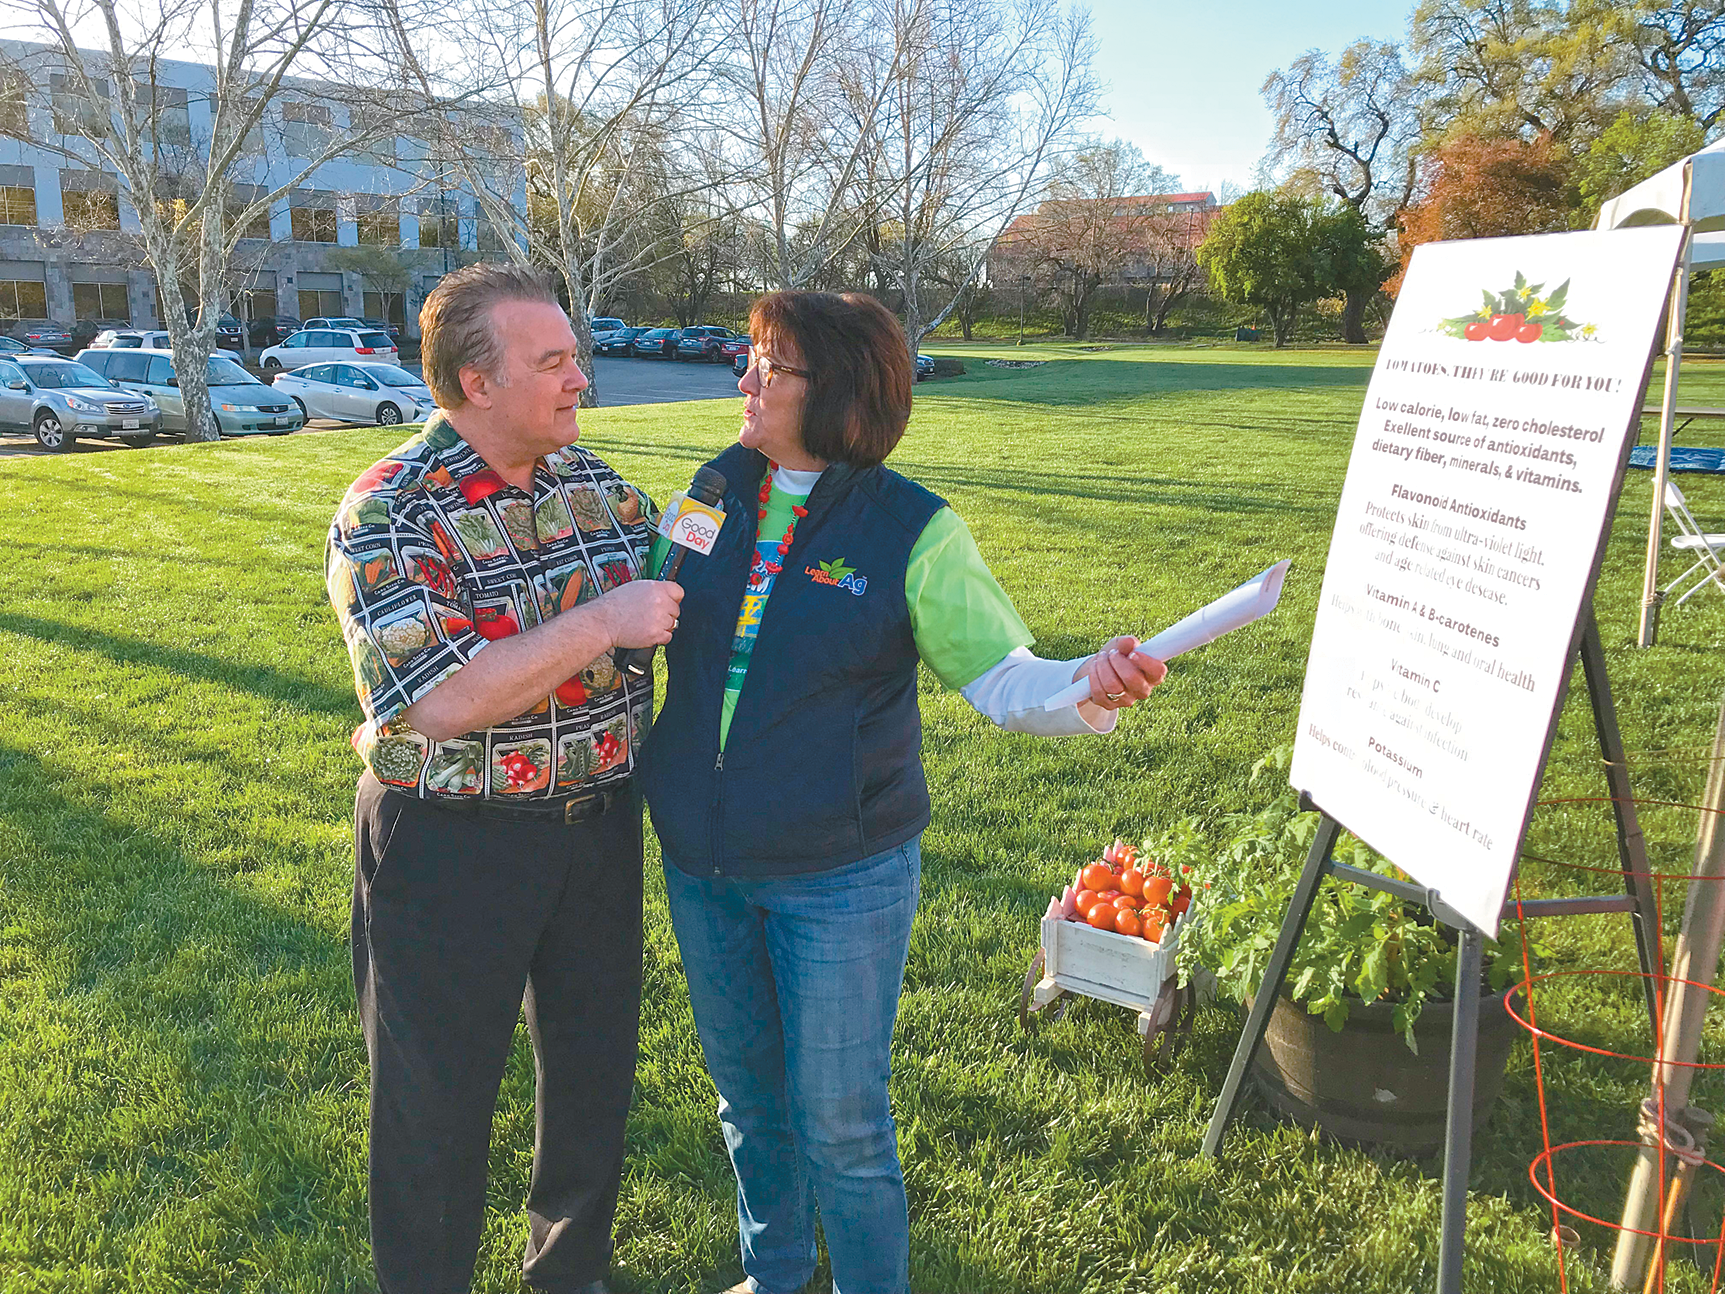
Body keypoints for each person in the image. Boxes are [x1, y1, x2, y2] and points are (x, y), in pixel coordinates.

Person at [637, 291, 1164, 1294]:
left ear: (835, 391)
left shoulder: (912, 530)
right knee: (749, 1103)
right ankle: (775, 1273)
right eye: (749, 357)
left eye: (770, 365)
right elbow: (650, 612)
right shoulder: (713, 487)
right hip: (704, 863)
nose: (743, 379)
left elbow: (1005, 680)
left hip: (839, 875)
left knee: (841, 1124)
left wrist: (1089, 685)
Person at [325, 262, 682, 1294]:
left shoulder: (597, 490)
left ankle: (570, 1274)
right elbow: (436, 701)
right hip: (450, 843)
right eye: (554, 360)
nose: (581, 377)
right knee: (432, 1101)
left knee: (592, 1072)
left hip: (595, 829)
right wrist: (602, 622)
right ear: (476, 383)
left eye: (576, 355)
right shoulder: (390, 511)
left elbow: (698, 586)